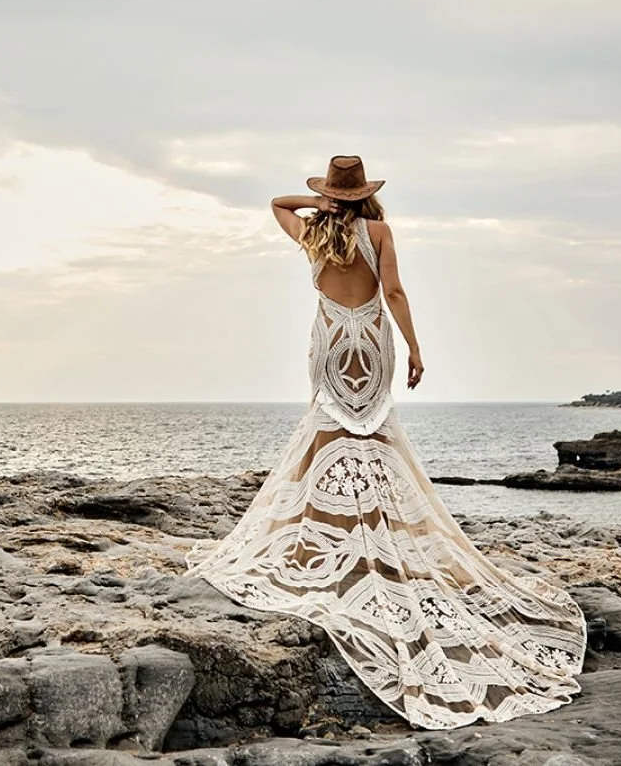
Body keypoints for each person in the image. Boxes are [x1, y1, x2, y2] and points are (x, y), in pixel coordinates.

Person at [183, 155, 588, 731]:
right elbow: (392, 292)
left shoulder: (313, 232)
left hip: (328, 339)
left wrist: (318, 206)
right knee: (375, 433)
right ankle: (374, 535)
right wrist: (416, 349)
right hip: (371, 339)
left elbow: (276, 204)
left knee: (328, 432)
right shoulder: (379, 231)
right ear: (365, 192)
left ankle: (321, 544)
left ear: (330, 192)